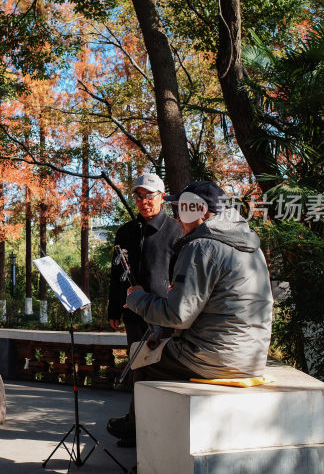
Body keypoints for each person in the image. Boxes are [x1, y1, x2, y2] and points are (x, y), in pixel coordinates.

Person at [106, 180, 274, 447]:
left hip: (216, 357)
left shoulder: (202, 247)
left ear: (199, 211)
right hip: (252, 355)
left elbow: (178, 316)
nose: (177, 218)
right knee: (158, 347)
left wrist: (136, 298)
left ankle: (145, 444)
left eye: (181, 210)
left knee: (141, 358)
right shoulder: (249, 246)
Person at [107, 173, 182, 446]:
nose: (143, 201)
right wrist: (114, 308)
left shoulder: (176, 230)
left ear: (162, 196)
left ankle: (153, 434)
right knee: (138, 370)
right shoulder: (125, 231)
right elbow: (116, 274)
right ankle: (137, 428)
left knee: (159, 373)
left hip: (165, 315)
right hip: (134, 314)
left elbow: (180, 275)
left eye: (149, 195)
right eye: (138, 196)